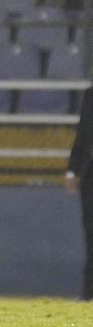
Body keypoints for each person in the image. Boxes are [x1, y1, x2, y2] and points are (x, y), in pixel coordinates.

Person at [66, 86, 93, 301]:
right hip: (90, 174)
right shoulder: (90, 94)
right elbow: (83, 132)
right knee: (91, 234)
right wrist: (72, 169)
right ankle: (89, 291)